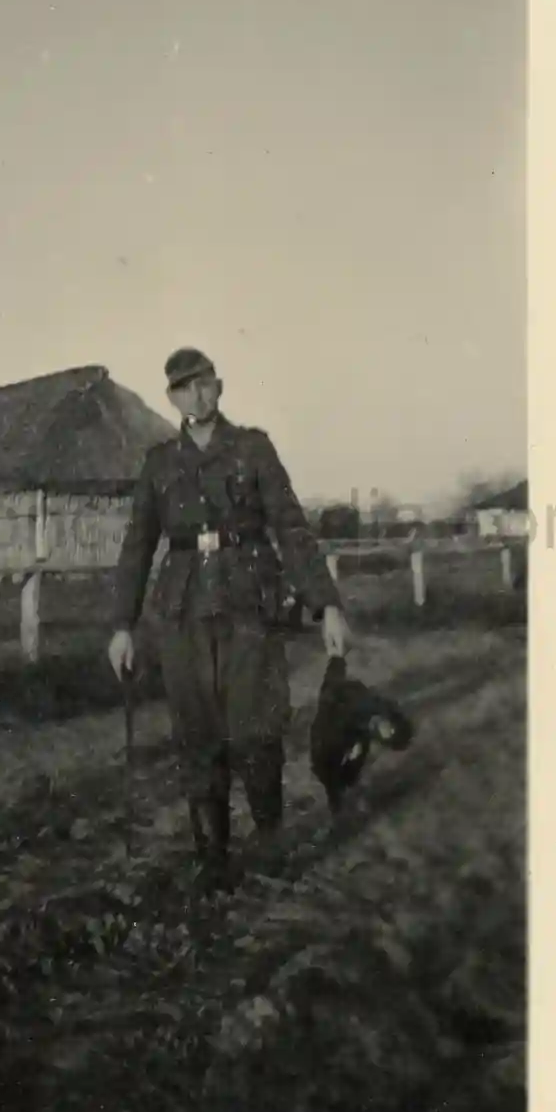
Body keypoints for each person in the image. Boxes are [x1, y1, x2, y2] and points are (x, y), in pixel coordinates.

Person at [107, 348, 349, 887]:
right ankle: (212, 861)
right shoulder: (159, 464)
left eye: (205, 384)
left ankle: (271, 849)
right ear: (172, 397)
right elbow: (137, 546)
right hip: (183, 612)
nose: (197, 395)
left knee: (257, 730)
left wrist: (326, 603)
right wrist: (122, 625)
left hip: (249, 606)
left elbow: (291, 528)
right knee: (197, 736)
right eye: (184, 388)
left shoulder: (252, 449)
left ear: (220, 386)